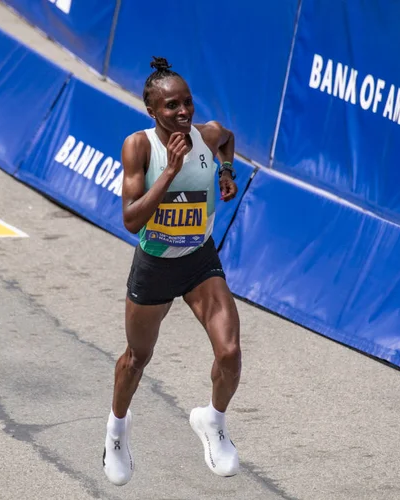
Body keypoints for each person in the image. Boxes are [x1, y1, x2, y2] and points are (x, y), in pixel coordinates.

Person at [102, 56, 242, 486]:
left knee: (230, 353)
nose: (182, 112)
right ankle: (116, 432)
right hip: (155, 266)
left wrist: (226, 169)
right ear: (152, 111)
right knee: (136, 359)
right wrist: (171, 173)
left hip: (200, 260)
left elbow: (228, 138)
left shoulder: (207, 135)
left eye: (187, 102)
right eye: (170, 107)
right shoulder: (139, 147)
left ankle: (212, 421)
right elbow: (131, 219)